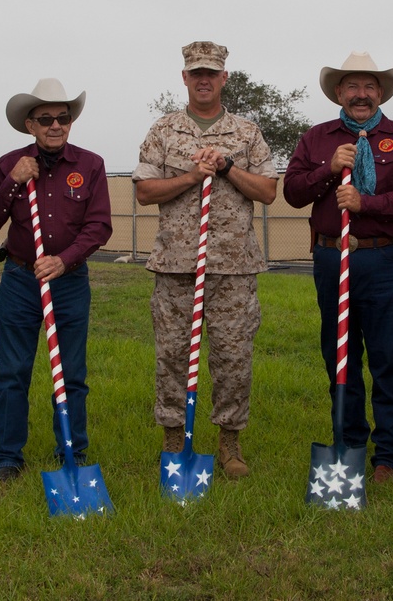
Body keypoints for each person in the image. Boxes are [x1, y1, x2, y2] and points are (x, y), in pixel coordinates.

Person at [132, 41, 278, 479]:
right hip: (177, 264)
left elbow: (268, 191)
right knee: (173, 355)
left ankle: (230, 444)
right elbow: (143, 191)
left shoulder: (247, 132)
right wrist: (194, 175)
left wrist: (227, 167)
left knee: (233, 357)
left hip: (233, 266)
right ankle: (174, 439)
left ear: (224, 78)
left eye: (211, 73)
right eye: (196, 72)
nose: (203, 80)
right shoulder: (163, 130)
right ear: (184, 77)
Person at [283, 52, 393, 483]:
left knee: (387, 357)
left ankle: (389, 455)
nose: (361, 94)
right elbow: (291, 192)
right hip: (332, 257)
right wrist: (328, 171)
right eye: (352, 87)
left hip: (383, 257)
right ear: (339, 93)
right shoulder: (316, 138)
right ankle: (348, 443)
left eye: (369, 87)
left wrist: (367, 203)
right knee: (340, 355)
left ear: (380, 93)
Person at [0, 79, 112, 482]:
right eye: (46, 118)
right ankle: (6, 457)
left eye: (63, 117)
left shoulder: (90, 165)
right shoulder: (9, 163)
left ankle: (72, 449)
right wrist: (13, 181)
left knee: (71, 374)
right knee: (13, 371)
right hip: (20, 278)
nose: (56, 125)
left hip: (69, 282)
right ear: (30, 125)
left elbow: (99, 225)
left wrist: (64, 260)